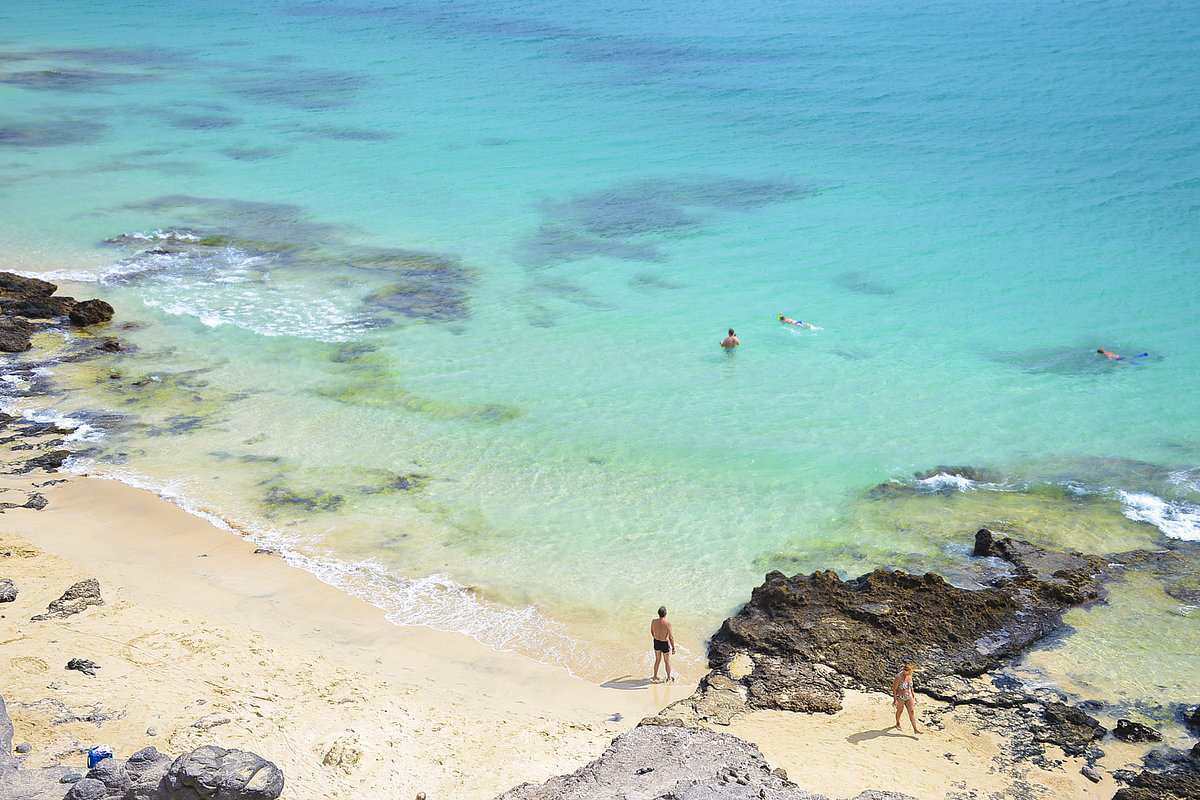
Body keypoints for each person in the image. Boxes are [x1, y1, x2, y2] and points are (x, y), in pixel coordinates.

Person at [892, 663, 923, 733]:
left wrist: (912, 693)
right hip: (900, 697)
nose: (908, 674)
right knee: (900, 711)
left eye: (910, 673)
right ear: (904, 670)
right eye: (907, 672)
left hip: (909, 696)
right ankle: (898, 723)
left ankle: (915, 729)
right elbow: (894, 689)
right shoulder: (898, 677)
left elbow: (911, 686)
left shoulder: (910, 675)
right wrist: (895, 700)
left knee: (911, 712)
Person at [651, 606, 676, 682]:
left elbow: (652, 632)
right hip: (664, 643)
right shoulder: (667, 624)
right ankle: (669, 678)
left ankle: (655, 676)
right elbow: (671, 637)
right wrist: (673, 647)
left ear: (658, 613)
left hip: (656, 641)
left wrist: (656, 638)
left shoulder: (653, 621)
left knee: (657, 660)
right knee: (667, 661)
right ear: (665, 614)